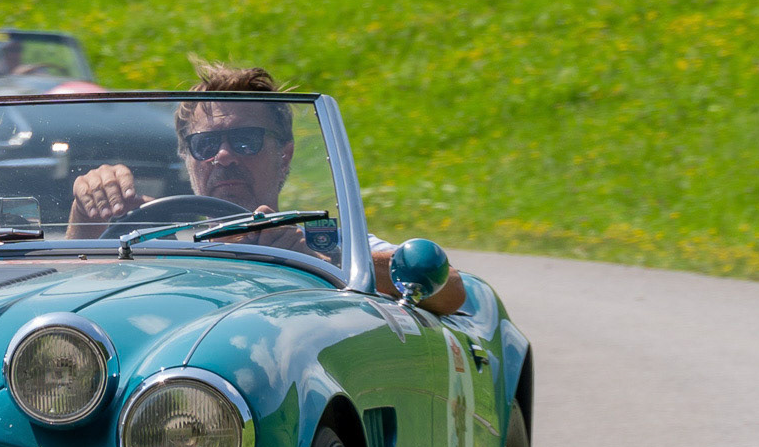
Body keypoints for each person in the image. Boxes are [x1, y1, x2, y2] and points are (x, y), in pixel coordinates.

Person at [63, 61, 467, 314]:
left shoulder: (326, 244)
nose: (223, 157)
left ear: (284, 154)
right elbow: (65, 296)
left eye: (245, 142)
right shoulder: (148, 242)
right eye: (205, 145)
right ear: (187, 160)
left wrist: (320, 257)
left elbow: (450, 290)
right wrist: (86, 217)